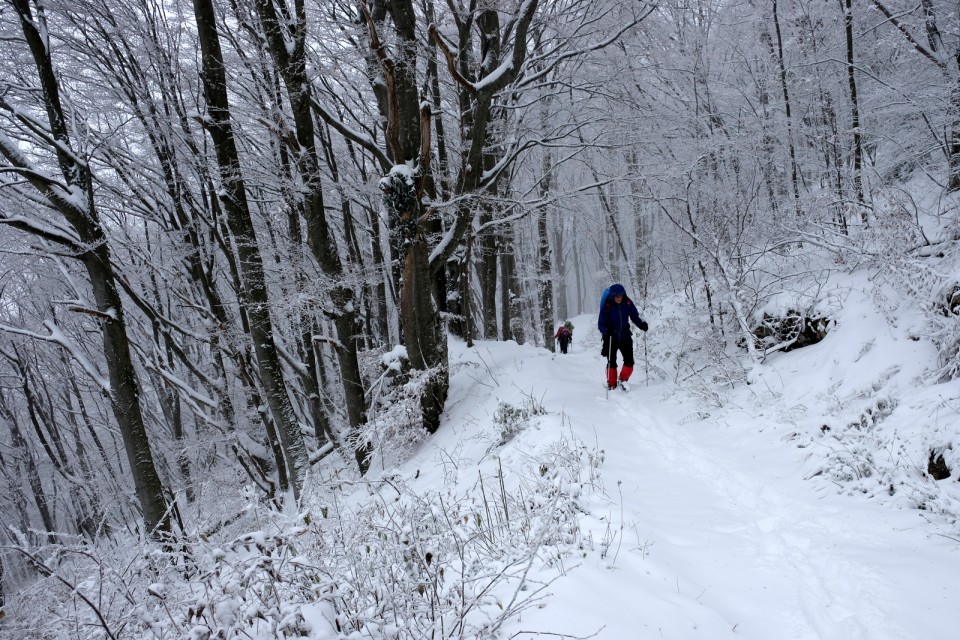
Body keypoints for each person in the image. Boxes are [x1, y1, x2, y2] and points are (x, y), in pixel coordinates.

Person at [598, 283, 648, 390]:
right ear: (612, 296)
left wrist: (641, 324)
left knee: (629, 361)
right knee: (611, 362)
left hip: (625, 335)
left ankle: (623, 379)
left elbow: (634, 316)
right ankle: (611, 384)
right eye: (616, 296)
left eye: (620, 295)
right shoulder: (607, 305)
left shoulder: (627, 302)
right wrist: (606, 332)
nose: (619, 298)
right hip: (611, 337)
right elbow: (601, 324)